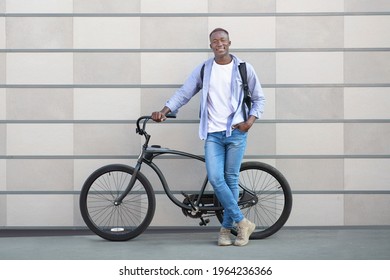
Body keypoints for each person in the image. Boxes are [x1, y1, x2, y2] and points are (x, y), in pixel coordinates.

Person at [151, 28, 265, 246]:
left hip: (236, 133)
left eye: (223, 40)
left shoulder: (243, 68)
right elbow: (184, 93)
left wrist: (249, 122)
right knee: (216, 177)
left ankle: (225, 230)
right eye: (215, 41)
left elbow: (259, 98)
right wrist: (163, 112)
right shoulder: (205, 69)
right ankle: (242, 223)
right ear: (211, 45)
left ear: (229, 42)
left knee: (230, 179)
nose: (219, 44)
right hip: (213, 133)